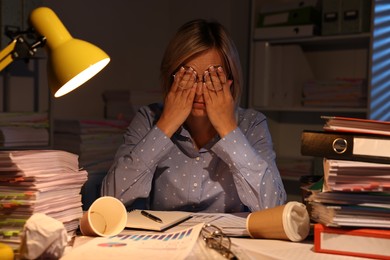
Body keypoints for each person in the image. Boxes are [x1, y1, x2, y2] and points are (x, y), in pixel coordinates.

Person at [101, 19, 286, 213]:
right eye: (188, 77)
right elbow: (109, 201)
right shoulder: (148, 119)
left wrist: (229, 130)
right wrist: (165, 125)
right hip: (166, 240)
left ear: (230, 81)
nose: (198, 91)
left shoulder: (252, 124)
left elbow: (274, 208)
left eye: (211, 78)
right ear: (170, 79)